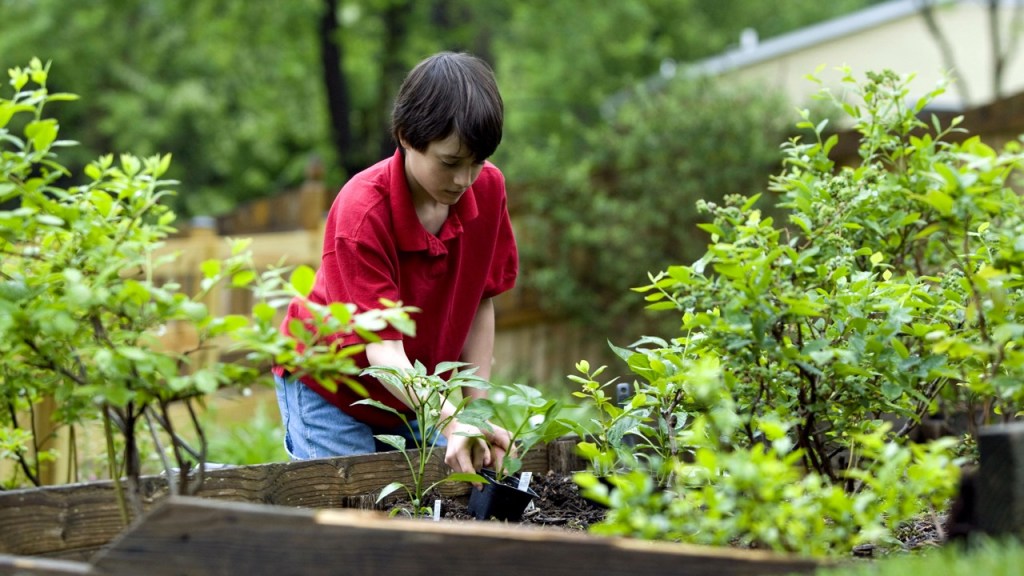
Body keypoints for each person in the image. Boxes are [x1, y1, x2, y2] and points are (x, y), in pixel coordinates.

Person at [272, 52, 517, 478]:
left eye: (476, 162)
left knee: (434, 497)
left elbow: (481, 300)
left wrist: (473, 415)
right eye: (450, 162)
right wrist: (451, 421)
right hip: (333, 388)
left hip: (412, 391)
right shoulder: (363, 211)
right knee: (351, 511)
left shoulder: (489, 189)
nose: (464, 179)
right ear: (405, 136)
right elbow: (382, 351)